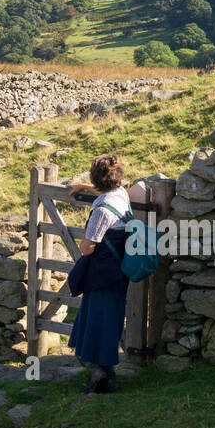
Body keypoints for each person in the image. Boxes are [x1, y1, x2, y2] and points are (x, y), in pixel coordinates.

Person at [66, 154, 131, 394]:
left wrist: (85, 242)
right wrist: (85, 187)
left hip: (101, 273)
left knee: (94, 321)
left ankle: (97, 376)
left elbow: (87, 247)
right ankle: (109, 375)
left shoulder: (101, 212)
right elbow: (106, 195)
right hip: (119, 272)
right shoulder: (121, 195)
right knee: (110, 321)